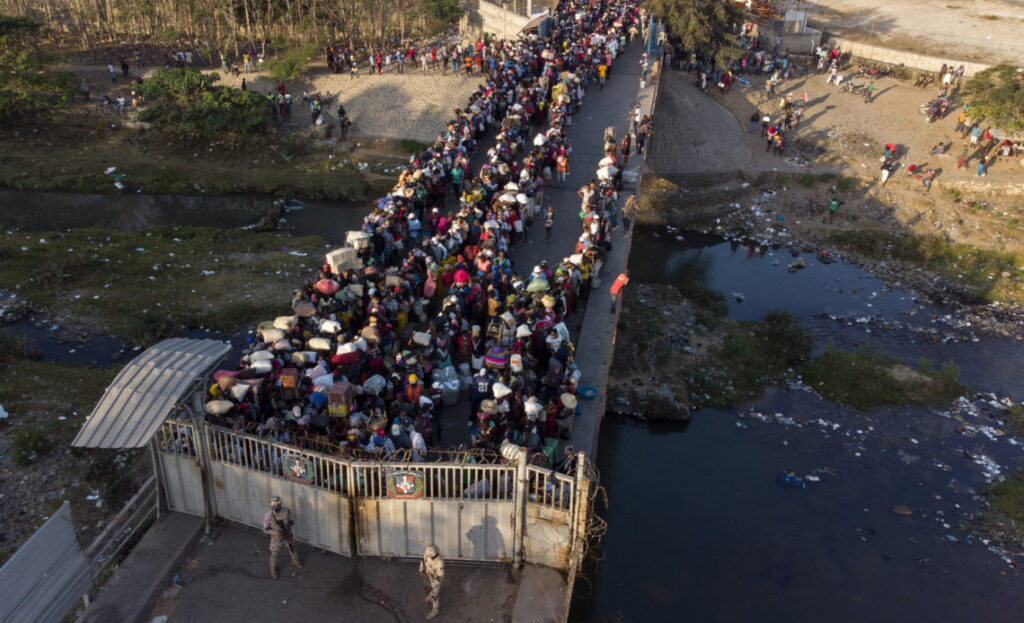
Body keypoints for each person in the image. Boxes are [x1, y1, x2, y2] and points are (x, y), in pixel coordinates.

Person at [263, 495, 302, 579]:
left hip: (287, 534)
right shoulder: (269, 516)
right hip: (276, 538)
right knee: (274, 553)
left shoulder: (286, 511)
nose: (276, 507)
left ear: (280, 505)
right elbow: (265, 530)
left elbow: (291, 522)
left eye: (277, 506)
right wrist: (276, 533)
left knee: (291, 548)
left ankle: (295, 560)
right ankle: (272, 568)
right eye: (274, 506)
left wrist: (290, 533)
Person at [419, 545, 444, 620]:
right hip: (429, 575)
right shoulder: (426, 554)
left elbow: (439, 578)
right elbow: (423, 561)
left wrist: (431, 586)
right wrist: (421, 570)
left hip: (436, 578)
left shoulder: (440, 562)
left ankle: (435, 609)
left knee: (434, 593)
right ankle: (430, 596)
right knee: (428, 589)